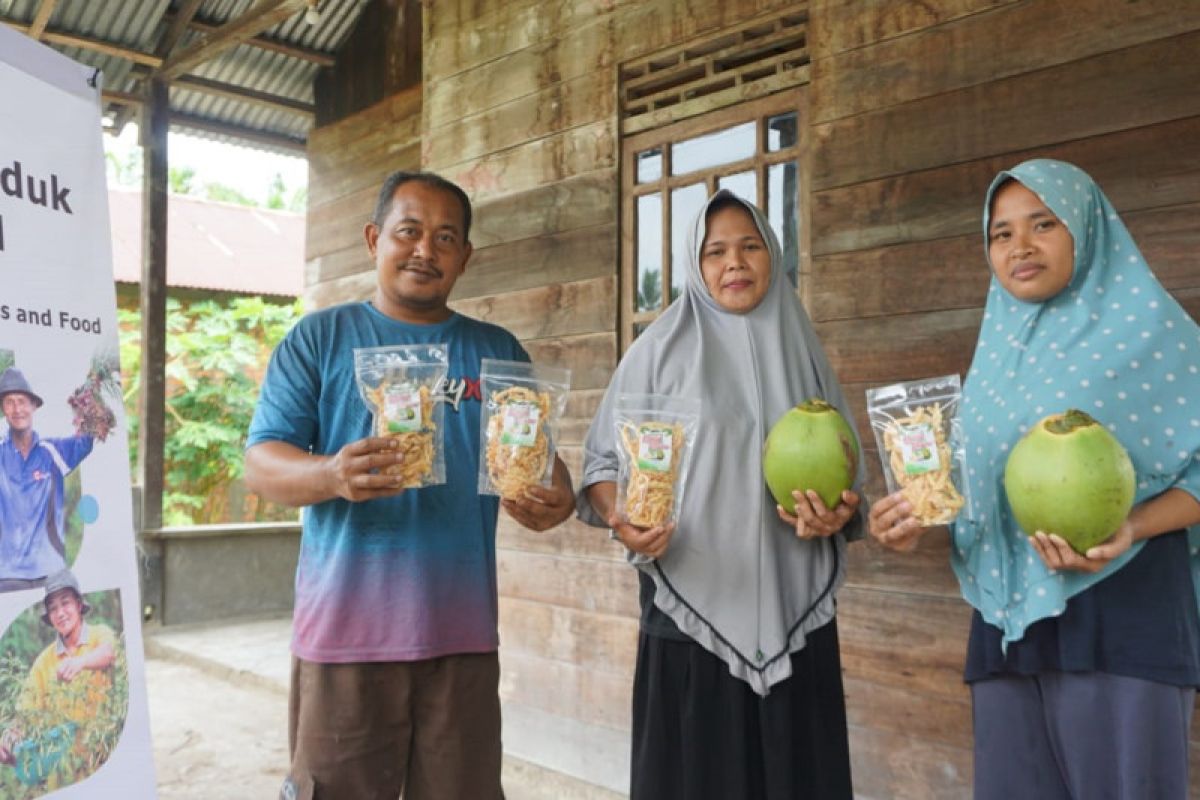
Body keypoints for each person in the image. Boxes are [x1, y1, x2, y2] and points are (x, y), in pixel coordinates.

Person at [869, 159, 1200, 799]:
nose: (1020, 246)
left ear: (1085, 227)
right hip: (1006, 625)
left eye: (1042, 224)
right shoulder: (996, 353)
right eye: (1001, 233)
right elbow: (982, 491)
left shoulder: (1158, 336)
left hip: (1123, 612)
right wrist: (915, 522)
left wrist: (1132, 525)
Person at [244, 170, 575, 799]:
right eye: (409, 232)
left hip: (462, 637)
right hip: (345, 637)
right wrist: (331, 473)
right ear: (375, 239)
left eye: (445, 238)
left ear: (465, 257)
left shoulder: (494, 350)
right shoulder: (321, 339)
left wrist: (554, 495)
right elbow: (261, 463)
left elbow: (543, 464)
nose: (425, 250)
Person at [577, 190, 865, 799]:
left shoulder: (804, 351)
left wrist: (838, 514)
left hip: (796, 613)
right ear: (694, 265)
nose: (734, 263)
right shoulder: (656, 350)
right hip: (688, 623)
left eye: (750, 246)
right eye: (715, 252)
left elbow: (847, 471)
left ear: (773, 255)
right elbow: (603, 465)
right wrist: (619, 517)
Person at [0, 569, 118, 767]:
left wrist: (80, 662)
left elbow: (109, 653)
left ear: (79, 605)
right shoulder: (43, 662)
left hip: (104, 759)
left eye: (65, 603)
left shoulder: (100, 635)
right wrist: (8, 741)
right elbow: (26, 713)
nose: (60, 613)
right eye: (53, 608)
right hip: (65, 770)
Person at [0, 368, 94, 591]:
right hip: (7, 574)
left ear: (34, 406)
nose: (17, 409)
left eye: (22, 401)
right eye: (9, 402)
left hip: (51, 572)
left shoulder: (52, 452)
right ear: (3, 409)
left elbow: (87, 440)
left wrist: (89, 398)